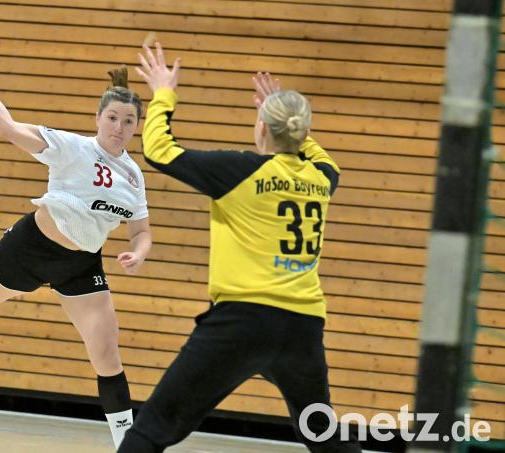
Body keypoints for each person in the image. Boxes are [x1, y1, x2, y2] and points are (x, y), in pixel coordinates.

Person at [117, 44, 363, 452]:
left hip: (242, 322)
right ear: (300, 133)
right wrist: (285, 116)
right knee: (323, 436)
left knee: (153, 428)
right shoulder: (322, 178)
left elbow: (159, 150)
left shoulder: (242, 172)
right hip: (302, 326)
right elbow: (318, 155)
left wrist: (164, 92)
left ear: (263, 129)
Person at [0, 56, 152, 448]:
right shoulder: (71, 147)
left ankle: (129, 445)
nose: (119, 128)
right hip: (31, 247)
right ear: (98, 117)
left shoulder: (133, 175)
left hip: (81, 263)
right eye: (112, 118)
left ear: (136, 126)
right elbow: (7, 128)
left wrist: (138, 253)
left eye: (128, 121)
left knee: (107, 353)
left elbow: (141, 232)